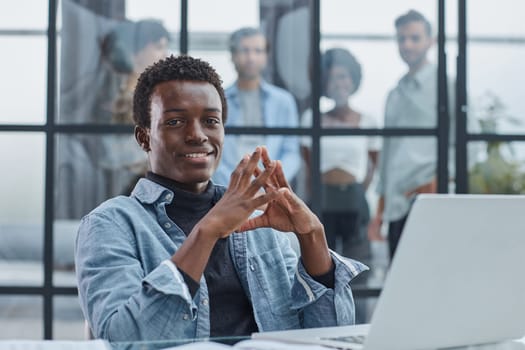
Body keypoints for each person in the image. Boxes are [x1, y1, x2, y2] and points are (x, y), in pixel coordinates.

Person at [75, 54, 367, 341]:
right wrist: (207, 231)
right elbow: (123, 339)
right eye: (176, 122)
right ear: (144, 137)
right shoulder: (110, 225)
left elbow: (330, 337)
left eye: (211, 121)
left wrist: (313, 236)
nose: (198, 135)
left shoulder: (258, 224)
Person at [368, 10, 443, 259]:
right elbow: (388, 155)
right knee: (400, 286)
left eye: (414, 38)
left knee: (434, 282)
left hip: (433, 203)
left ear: (430, 41)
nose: (407, 45)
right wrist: (380, 212)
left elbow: (470, 146)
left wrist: (438, 181)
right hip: (398, 208)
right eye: (401, 39)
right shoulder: (395, 94)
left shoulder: (447, 87)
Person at [301, 48, 380, 261]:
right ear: (324, 82)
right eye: (332, 78)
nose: (338, 83)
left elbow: (374, 166)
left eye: (343, 76)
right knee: (320, 263)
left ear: (353, 80)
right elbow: (308, 166)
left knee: (358, 264)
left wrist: (358, 191)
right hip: (322, 198)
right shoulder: (312, 119)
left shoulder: (367, 121)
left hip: (353, 200)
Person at [213, 27, 301, 187]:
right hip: (228, 189)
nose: (251, 57)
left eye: (258, 51)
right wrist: (234, 185)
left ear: (266, 56)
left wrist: (270, 181)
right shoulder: (218, 100)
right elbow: (213, 151)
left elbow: (292, 152)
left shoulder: (283, 101)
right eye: (245, 50)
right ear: (232, 55)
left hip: (272, 189)